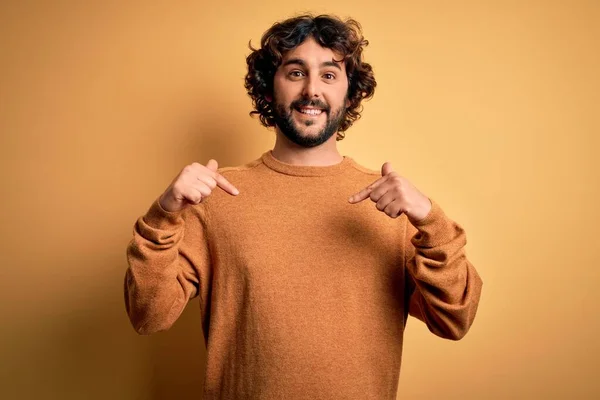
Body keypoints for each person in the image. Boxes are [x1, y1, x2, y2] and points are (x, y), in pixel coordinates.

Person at [124, 14, 483, 399]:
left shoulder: (392, 205)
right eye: (295, 73)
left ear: (349, 95)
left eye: (329, 75)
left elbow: (455, 319)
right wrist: (164, 215)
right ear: (267, 90)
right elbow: (149, 315)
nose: (312, 89)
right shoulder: (215, 198)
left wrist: (431, 218)